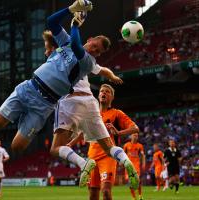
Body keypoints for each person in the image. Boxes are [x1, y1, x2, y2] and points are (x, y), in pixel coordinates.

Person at [0, 0, 97, 171]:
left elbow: (75, 45)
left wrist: (76, 24)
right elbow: (52, 22)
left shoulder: (82, 60)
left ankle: (22, 118)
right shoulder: (58, 53)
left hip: (43, 106)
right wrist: (71, 9)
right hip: (28, 90)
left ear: (56, 47)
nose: (45, 52)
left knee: (17, 147)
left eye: (47, 48)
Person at [47, 7, 139, 189]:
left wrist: (75, 23)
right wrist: (111, 76)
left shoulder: (83, 56)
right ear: (90, 40)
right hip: (90, 103)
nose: (95, 51)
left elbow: (72, 43)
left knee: (55, 149)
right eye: (95, 47)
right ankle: (126, 162)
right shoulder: (90, 63)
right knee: (109, 147)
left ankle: (83, 164)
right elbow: (102, 69)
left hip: (70, 101)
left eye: (97, 51)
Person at [124, 133, 146, 200]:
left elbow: (142, 155)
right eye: (134, 135)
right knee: (130, 182)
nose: (135, 137)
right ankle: (134, 197)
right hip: (128, 165)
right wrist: (121, 162)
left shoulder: (140, 146)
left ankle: (140, 195)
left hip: (136, 165)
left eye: (136, 136)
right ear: (131, 136)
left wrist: (143, 163)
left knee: (138, 180)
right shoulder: (126, 145)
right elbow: (123, 154)